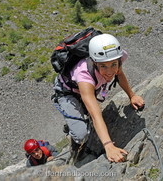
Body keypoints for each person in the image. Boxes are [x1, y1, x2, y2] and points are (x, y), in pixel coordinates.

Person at [52, 33, 145, 163]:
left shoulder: (116, 57)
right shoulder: (84, 74)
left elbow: (120, 74)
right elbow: (96, 115)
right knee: (81, 135)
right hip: (68, 92)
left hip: (89, 88)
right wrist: (108, 146)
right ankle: (73, 134)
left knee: (90, 115)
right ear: (95, 62)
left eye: (113, 65)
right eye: (103, 66)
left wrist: (132, 96)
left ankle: (78, 123)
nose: (110, 71)